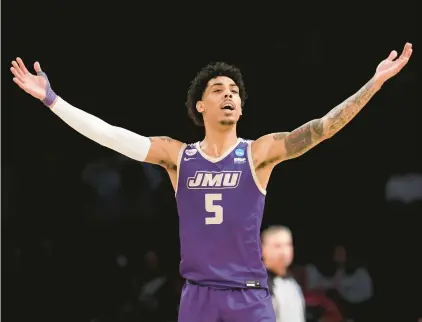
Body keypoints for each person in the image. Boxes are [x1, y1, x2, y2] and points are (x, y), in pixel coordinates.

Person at [10, 42, 412, 322]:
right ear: (200, 105)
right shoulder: (177, 156)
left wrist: (373, 84)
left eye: (235, 90)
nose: (229, 95)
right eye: (219, 89)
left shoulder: (259, 152)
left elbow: (322, 128)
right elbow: (112, 135)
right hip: (197, 295)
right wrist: (52, 100)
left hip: (249, 296)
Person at [262, 226, 305, 322]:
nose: (284, 252)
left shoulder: (292, 282)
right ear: (263, 249)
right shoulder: (258, 283)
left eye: (288, 245)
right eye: (277, 246)